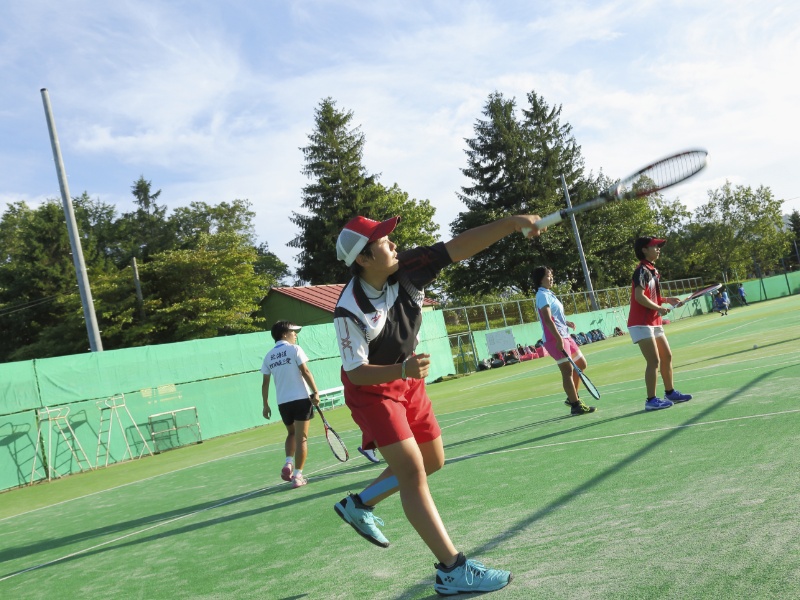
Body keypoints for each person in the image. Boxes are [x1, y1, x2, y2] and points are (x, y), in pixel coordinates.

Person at [331, 213, 541, 595]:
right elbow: (358, 372)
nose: (393, 243)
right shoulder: (349, 310)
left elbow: (458, 247)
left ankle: (359, 504)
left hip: (408, 380)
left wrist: (511, 224)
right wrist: (403, 368)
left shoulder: (407, 268)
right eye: (382, 240)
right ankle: (452, 570)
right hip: (373, 390)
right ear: (362, 258)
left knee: (433, 461)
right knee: (412, 472)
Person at [627, 237, 693, 411]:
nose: (658, 249)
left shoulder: (652, 270)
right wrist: (659, 307)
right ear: (644, 250)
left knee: (667, 356)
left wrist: (666, 300)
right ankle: (651, 400)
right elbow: (639, 297)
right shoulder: (641, 270)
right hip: (640, 323)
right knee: (654, 361)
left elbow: (650, 295)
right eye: (654, 246)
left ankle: (670, 392)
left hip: (653, 321)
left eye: (658, 246)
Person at [261, 320, 320, 488]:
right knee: (302, 438)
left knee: (291, 434)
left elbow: (265, 383)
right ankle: (298, 476)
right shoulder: (295, 349)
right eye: (293, 332)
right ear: (284, 334)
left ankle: (288, 462)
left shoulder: (268, 355)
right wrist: (316, 391)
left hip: (283, 404)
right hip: (301, 400)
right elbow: (305, 371)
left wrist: (265, 405)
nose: (295, 335)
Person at [533, 266, 597, 416]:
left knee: (581, 364)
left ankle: (571, 397)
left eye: (551, 275)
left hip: (565, 335)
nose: (551, 278)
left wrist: (566, 322)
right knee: (567, 371)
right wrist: (558, 338)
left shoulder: (550, 294)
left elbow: (554, 316)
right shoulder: (541, 295)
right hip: (555, 338)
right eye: (548, 275)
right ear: (540, 279)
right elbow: (547, 319)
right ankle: (575, 405)